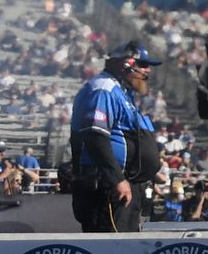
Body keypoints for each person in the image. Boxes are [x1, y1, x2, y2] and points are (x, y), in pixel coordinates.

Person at [68, 41, 162, 233]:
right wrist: (116, 179)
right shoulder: (103, 88)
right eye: (143, 65)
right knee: (110, 249)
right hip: (107, 187)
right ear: (126, 64)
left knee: (127, 251)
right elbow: (95, 136)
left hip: (126, 185)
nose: (147, 71)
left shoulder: (123, 93)